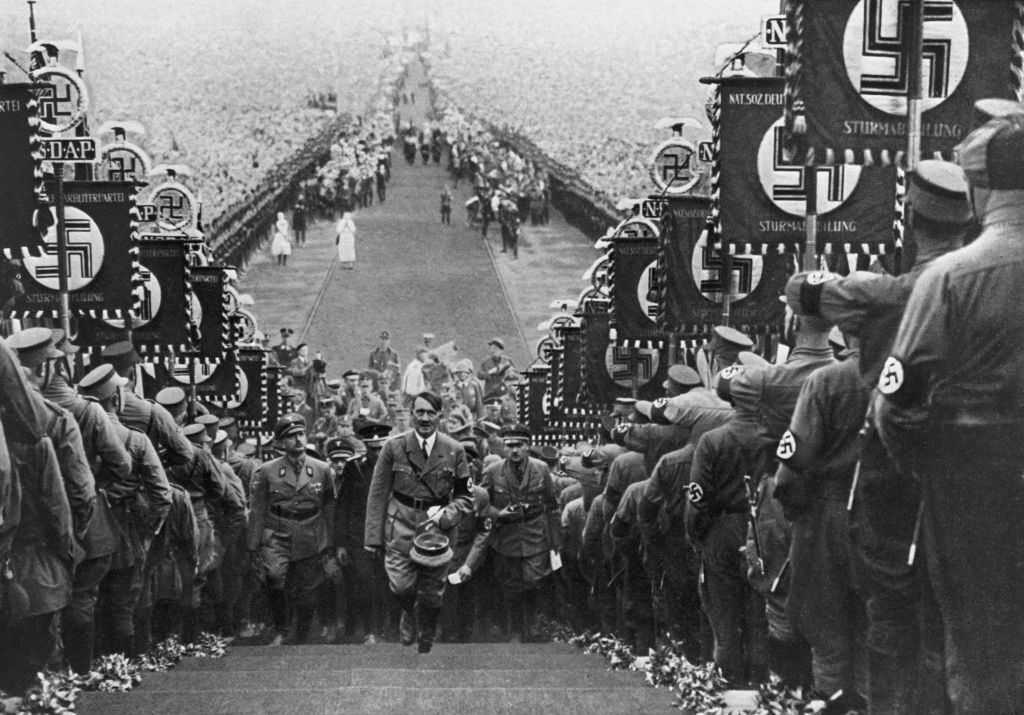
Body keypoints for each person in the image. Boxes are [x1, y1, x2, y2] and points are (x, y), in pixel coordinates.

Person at [875, 112, 1024, 712]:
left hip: (972, 485)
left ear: (978, 190)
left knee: (978, 647)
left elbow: (894, 405)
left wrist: (928, 466)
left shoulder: (950, 277)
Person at [364, 391, 473, 653]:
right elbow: (377, 494)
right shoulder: (394, 447)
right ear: (412, 414)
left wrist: (448, 515)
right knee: (401, 585)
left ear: (440, 415)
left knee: (433, 592)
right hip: (400, 524)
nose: (424, 418)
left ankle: (427, 634)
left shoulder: (454, 450)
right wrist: (372, 538)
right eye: (419, 412)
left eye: (430, 413)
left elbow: (466, 497)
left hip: (437, 529)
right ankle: (408, 613)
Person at [248, 413, 336, 646]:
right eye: (291, 436)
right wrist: (253, 545)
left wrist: (331, 541)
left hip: (310, 533)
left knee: (308, 589)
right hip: (277, 533)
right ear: (281, 442)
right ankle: (282, 628)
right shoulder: (267, 471)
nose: (298, 440)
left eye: (301, 434)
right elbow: (258, 508)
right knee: (274, 577)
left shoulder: (322, 469)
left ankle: (302, 633)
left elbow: (329, 506)